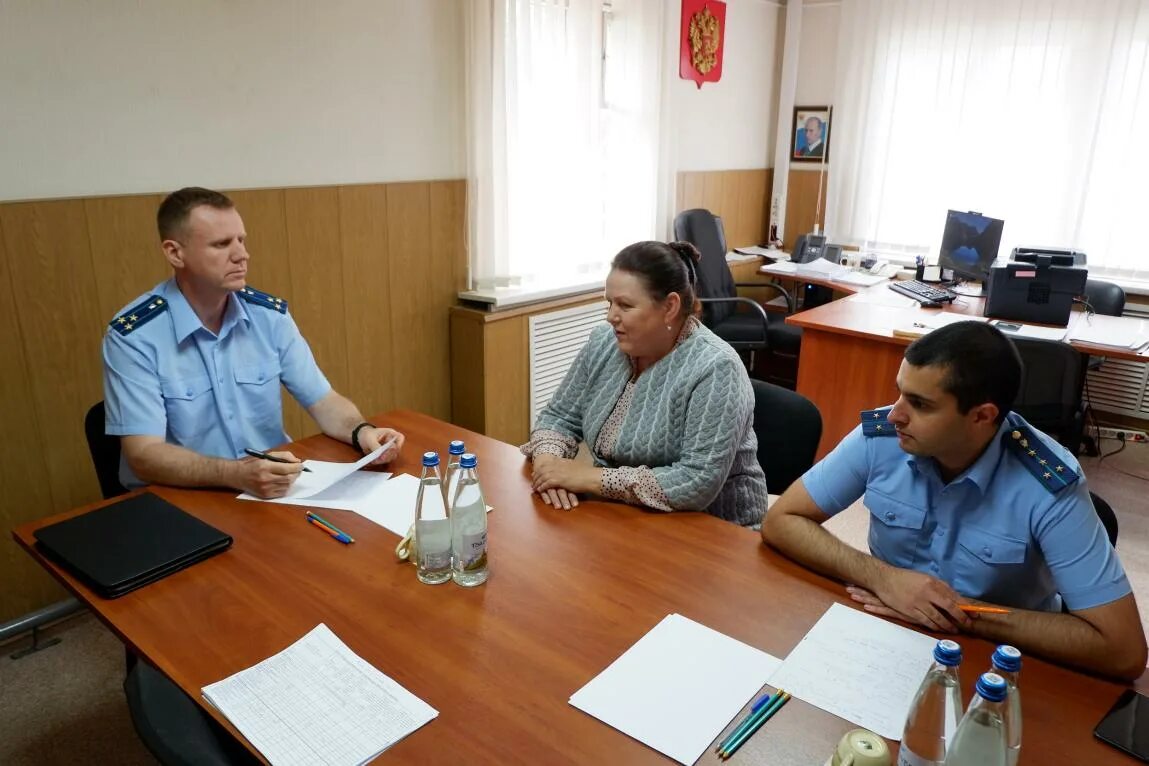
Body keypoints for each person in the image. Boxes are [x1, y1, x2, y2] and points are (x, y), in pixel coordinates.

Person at [761, 321, 1147, 680]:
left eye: (921, 404)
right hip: (882, 636)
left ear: (982, 416)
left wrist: (956, 612)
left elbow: (1123, 650)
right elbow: (781, 520)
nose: (895, 414)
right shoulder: (882, 438)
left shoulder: (1048, 483)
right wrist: (884, 577)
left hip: (998, 660)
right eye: (899, 392)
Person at [103, 187, 405, 498]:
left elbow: (324, 400)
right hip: (182, 498)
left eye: (241, 240)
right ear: (174, 253)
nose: (241, 255)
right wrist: (236, 474)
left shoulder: (268, 316)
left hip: (268, 488)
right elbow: (144, 455)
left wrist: (362, 432)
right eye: (221, 244)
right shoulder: (135, 336)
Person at [522, 240, 768, 526]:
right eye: (609, 302)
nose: (611, 316)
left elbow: (695, 482)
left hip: (712, 528)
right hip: (623, 515)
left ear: (670, 307)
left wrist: (589, 477)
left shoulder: (716, 368)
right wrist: (548, 465)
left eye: (625, 305)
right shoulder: (603, 342)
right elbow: (558, 417)